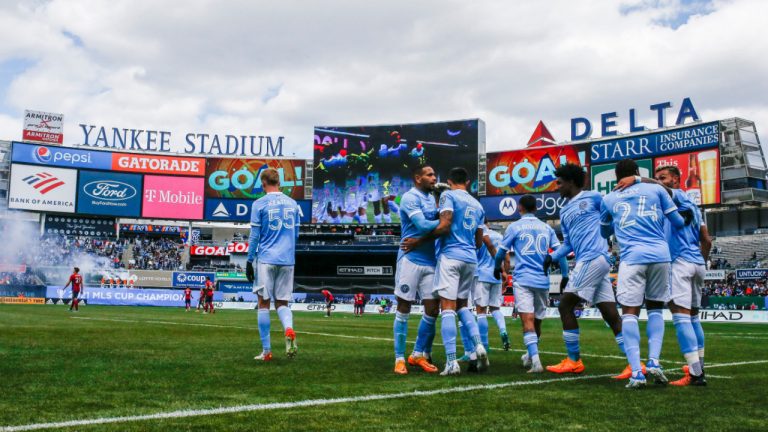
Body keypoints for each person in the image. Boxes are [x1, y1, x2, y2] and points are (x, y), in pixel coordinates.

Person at [599, 159, 690, 389]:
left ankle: (637, 374)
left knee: (630, 312)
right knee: (656, 308)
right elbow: (678, 223)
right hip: (661, 256)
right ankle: (654, 362)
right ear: (638, 173)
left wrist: (616, 220)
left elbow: (604, 231)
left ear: (617, 177)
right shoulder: (656, 189)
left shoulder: (608, 199)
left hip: (632, 258)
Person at [617, 165, 711, 386]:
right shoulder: (694, 206)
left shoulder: (673, 195)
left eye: (664, 178)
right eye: (658, 178)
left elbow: (661, 190)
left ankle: (696, 374)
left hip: (679, 262)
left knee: (681, 318)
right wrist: (701, 262)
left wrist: (638, 179)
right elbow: (706, 240)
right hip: (697, 262)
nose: (660, 181)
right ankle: (698, 368)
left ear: (677, 179)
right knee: (694, 318)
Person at [543, 164, 627, 376]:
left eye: (560, 183)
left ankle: (574, 360)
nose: (557, 187)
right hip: (590, 261)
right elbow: (568, 243)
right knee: (611, 314)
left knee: (564, 306)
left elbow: (615, 211)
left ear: (571, 181)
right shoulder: (563, 212)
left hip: (593, 258)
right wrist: (552, 257)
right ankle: (634, 363)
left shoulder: (595, 197)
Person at [403, 167, 486, 376]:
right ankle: (478, 346)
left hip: (451, 256)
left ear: (449, 182)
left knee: (447, 308)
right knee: (463, 306)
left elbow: (444, 226)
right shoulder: (478, 205)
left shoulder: (448, 195)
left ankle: (451, 362)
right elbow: (478, 241)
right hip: (471, 259)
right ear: (467, 182)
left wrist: (419, 241)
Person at [494, 195, 563, 373]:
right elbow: (559, 252)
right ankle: (531, 355)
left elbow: (501, 253)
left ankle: (536, 362)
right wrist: (565, 274)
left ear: (520, 207)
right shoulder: (547, 227)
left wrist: (497, 268)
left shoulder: (514, 227)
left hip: (523, 279)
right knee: (537, 320)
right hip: (542, 280)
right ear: (536, 208)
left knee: (527, 320)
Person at [246, 168, 301, 362]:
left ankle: (267, 351)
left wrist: (249, 260)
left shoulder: (259, 204)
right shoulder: (293, 204)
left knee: (263, 303)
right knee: (282, 303)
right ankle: (288, 328)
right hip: (287, 259)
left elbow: (254, 236)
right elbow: (296, 235)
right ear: (280, 183)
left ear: (263, 183)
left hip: (267, 258)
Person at [391, 164, 441, 375]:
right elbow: (422, 225)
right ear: (418, 178)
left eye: (434, 174)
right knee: (404, 307)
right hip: (409, 258)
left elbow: (432, 229)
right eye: (429, 174)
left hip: (430, 260)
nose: (434, 177)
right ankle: (399, 358)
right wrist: (446, 220)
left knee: (432, 309)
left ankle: (418, 354)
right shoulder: (410, 197)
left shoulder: (432, 198)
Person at [474, 223, 511, 351]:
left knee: (481, 311)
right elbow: (507, 260)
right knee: (496, 308)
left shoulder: (479, 235)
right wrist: (505, 275)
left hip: (482, 274)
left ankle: (484, 344)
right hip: (497, 276)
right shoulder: (500, 237)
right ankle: (503, 330)